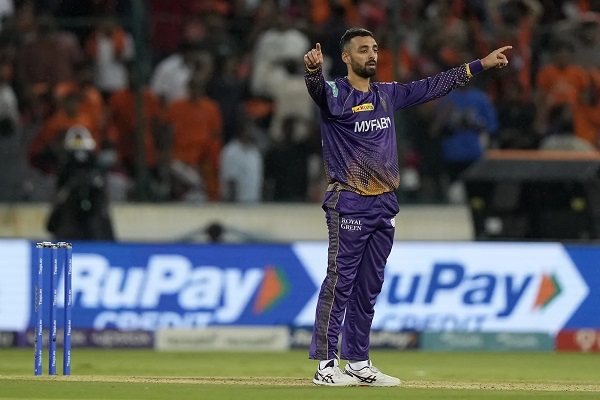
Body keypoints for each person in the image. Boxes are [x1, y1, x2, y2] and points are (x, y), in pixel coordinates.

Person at [303, 27, 511, 387]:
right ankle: (325, 365)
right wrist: (312, 72)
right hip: (349, 201)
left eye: (374, 48)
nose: (372, 55)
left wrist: (480, 64)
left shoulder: (387, 94)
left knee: (369, 288)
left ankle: (358, 362)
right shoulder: (337, 94)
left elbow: (434, 85)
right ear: (347, 57)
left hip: (384, 204)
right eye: (363, 50)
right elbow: (318, 91)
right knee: (340, 283)